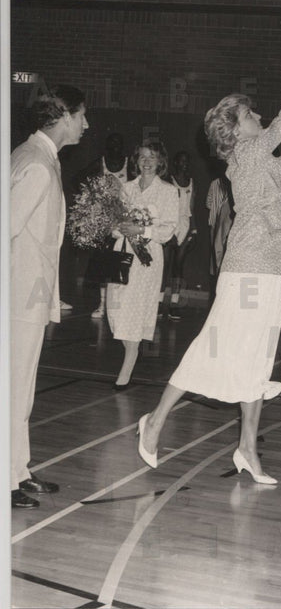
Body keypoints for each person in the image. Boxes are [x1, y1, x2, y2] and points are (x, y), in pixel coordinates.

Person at [136, 27, 281, 483]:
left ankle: (248, 450)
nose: (257, 115)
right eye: (249, 113)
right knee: (213, 347)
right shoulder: (250, 153)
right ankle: (154, 420)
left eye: (253, 112)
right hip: (247, 268)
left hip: (275, 265)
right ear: (236, 129)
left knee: (258, 358)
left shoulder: (264, 162)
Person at [11, 85, 89, 507]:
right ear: (62, 116)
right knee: (14, 387)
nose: (86, 124)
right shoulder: (37, 165)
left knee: (22, 388)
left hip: (29, 293)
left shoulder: (39, 158)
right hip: (19, 293)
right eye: (81, 116)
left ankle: (17, 470)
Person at [106, 140, 180, 389]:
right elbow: (113, 226)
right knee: (115, 308)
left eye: (152, 157)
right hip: (122, 252)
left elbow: (168, 230)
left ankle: (128, 362)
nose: (147, 162)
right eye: (142, 157)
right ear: (136, 161)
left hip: (147, 258)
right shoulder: (125, 188)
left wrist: (141, 229)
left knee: (135, 308)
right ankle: (130, 350)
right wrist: (121, 229)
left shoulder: (169, 191)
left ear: (161, 162)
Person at [81, 132, 129, 318]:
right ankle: (102, 304)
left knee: (121, 262)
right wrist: (92, 197)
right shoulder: (100, 163)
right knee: (103, 261)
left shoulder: (129, 164)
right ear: (108, 146)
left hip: (123, 219)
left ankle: (118, 305)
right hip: (104, 219)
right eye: (112, 143)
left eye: (118, 142)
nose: (115, 146)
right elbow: (77, 179)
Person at [159, 151, 197, 321]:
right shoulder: (168, 181)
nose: (184, 164)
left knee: (178, 266)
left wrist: (194, 230)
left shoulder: (191, 182)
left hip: (184, 225)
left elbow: (191, 209)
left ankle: (174, 303)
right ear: (175, 163)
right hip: (169, 224)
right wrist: (168, 230)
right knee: (164, 266)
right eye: (181, 161)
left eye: (187, 161)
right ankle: (159, 302)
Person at [206, 173, 234, 300]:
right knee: (216, 261)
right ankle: (216, 296)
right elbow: (208, 203)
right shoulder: (215, 183)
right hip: (215, 226)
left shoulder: (235, 183)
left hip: (231, 228)